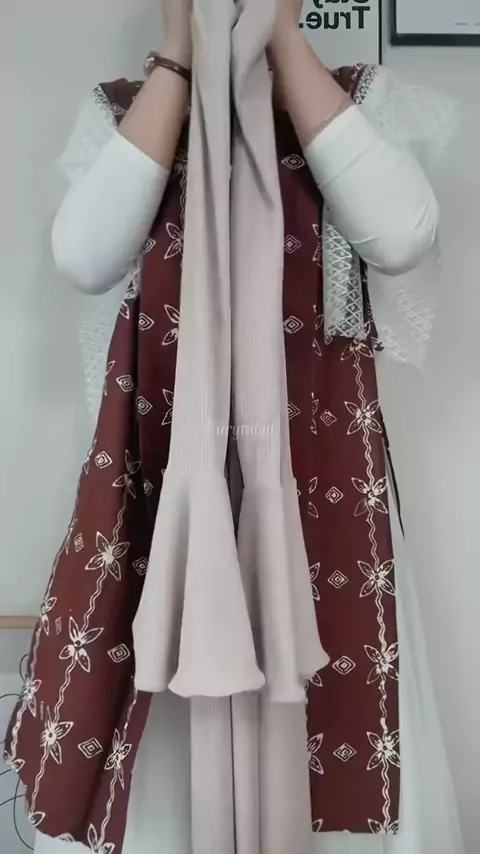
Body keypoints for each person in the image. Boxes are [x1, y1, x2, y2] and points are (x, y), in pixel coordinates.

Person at [5, 1, 464, 853]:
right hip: (159, 500)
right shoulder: (127, 110)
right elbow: (84, 254)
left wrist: (280, 37)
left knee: (341, 721)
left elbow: (403, 234)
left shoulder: (354, 101)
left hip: (322, 497)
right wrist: (180, 58)